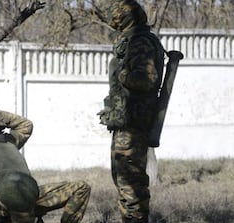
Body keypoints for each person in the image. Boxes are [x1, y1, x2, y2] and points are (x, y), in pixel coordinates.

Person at [0, 108, 91, 223]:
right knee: (14, 195)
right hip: (0, 201)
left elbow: (26, 125)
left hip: (28, 194)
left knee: (81, 188)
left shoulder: (9, 141)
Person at [97, 1, 165, 222]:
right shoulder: (132, 39)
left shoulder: (140, 42)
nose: (114, 20)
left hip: (134, 123)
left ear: (127, 17)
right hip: (126, 121)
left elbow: (146, 79)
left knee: (131, 182)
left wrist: (122, 74)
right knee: (123, 179)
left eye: (118, 16)